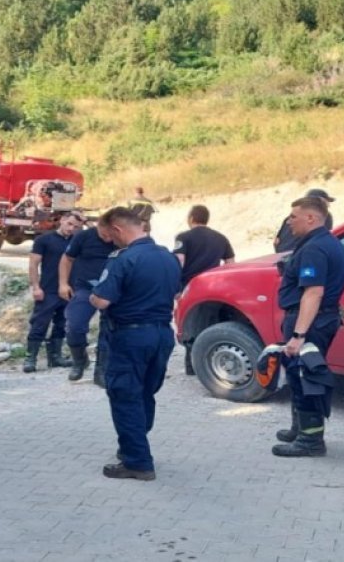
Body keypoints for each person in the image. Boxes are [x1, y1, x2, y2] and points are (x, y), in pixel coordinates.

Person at [90, 207, 181, 481]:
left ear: (118, 229)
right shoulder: (168, 257)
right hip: (163, 334)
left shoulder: (122, 259)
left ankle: (137, 462)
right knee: (144, 393)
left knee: (124, 395)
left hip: (130, 336)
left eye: (109, 236)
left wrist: (92, 296)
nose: (110, 242)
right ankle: (133, 444)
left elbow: (103, 300)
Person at [272, 195, 344, 458]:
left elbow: (313, 293)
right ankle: (300, 428)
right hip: (317, 318)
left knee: (307, 376)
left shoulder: (315, 248)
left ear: (311, 218)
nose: (288, 222)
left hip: (310, 321)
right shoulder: (324, 242)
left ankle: (310, 441)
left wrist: (298, 335)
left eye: (293, 217)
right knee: (297, 374)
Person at [173, 204, 235, 374]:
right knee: (210, 321)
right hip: (213, 287)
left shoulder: (184, 237)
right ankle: (209, 362)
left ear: (191, 218)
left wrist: (176, 286)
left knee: (187, 323)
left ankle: (191, 365)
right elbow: (230, 263)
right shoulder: (221, 238)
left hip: (190, 286)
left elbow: (179, 261)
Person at [24, 211, 86, 372]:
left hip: (70, 290)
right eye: (70, 224)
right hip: (48, 289)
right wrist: (36, 287)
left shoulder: (78, 242)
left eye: (76, 227)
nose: (71, 228)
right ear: (62, 220)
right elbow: (33, 264)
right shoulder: (44, 240)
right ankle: (30, 358)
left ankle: (55, 357)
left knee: (62, 324)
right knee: (39, 324)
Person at [58, 220, 117, 385]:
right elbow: (67, 259)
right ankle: (79, 360)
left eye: (110, 235)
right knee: (74, 325)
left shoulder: (120, 238)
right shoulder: (83, 237)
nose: (107, 239)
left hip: (112, 290)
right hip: (86, 288)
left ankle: (102, 370)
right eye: (104, 235)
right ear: (98, 226)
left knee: (109, 330)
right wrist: (63, 283)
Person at [273, 188, 335, 253]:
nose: (328, 205)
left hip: (282, 255)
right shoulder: (324, 216)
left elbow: (276, 241)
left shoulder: (289, 218)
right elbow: (324, 238)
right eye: (326, 202)